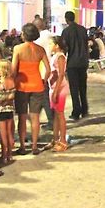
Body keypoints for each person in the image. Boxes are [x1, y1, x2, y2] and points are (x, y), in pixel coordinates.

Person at [12, 23, 51, 155]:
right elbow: (48, 69)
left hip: (21, 86)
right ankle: (34, 146)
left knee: (22, 117)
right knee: (35, 117)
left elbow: (13, 70)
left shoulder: (18, 49)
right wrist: (44, 81)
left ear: (24, 34)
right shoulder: (40, 49)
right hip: (37, 85)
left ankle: (22, 146)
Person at [61, 11, 89, 120]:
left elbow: (64, 48)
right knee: (83, 87)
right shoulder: (82, 29)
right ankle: (85, 109)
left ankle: (76, 111)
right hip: (83, 62)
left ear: (66, 19)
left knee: (74, 88)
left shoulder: (66, 31)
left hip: (72, 62)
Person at [46, 36, 69, 152]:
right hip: (53, 87)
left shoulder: (60, 57)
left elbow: (61, 75)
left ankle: (63, 141)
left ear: (57, 45)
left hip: (59, 89)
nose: (49, 46)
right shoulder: (54, 56)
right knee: (55, 114)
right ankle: (55, 139)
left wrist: (55, 92)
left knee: (60, 115)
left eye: (51, 44)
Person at [0, 60, 15, 164]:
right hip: (9, 109)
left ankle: (4, 156)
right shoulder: (12, 81)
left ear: (0, 70)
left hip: (0, 110)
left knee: (3, 134)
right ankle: (10, 154)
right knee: (9, 132)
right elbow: (12, 96)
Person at [33, 17, 55, 130]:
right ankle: (50, 119)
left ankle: (52, 121)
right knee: (45, 96)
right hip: (52, 68)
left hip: (43, 70)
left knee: (45, 96)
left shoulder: (39, 39)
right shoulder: (50, 35)